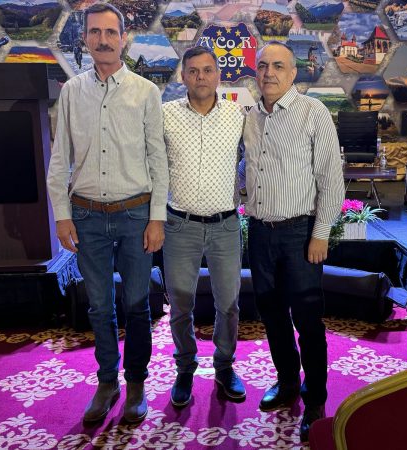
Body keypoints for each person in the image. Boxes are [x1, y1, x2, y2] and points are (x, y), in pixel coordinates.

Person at [47, 3, 168, 424]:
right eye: (95, 32)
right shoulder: (71, 92)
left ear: (123, 38)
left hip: (136, 214)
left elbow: (158, 159)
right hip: (87, 217)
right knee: (99, 307)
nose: (103, 40)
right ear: (84, 39)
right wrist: (61, 214)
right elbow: (59, 158)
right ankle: (107, 381)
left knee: (137, 304)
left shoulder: (145, 92)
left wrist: (157, 218)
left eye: (110, 32)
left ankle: (136, 383)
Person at [242, 42, 344, 443]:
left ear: (293, 72)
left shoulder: (312, 112)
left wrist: (320, 234)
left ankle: (314, 397)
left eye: (278, 66)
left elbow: (330, 179)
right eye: (263, 65)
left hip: (300, 235)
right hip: (260, 233)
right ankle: (286, 382)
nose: (269, 72)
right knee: (271, 315)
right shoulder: (251, 117)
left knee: (307, 318)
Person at [162, 46, 246, 407]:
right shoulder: (165, 115)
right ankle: (185, 367)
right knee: (180, 304)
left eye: (207, 70)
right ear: (183, 76)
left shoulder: (237, 115)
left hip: (226, 226)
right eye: (193, 71)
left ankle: (225, 366)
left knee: (229, 303)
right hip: (179, 226)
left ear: (219, 75)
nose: (200, 77)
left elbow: (254, 159)